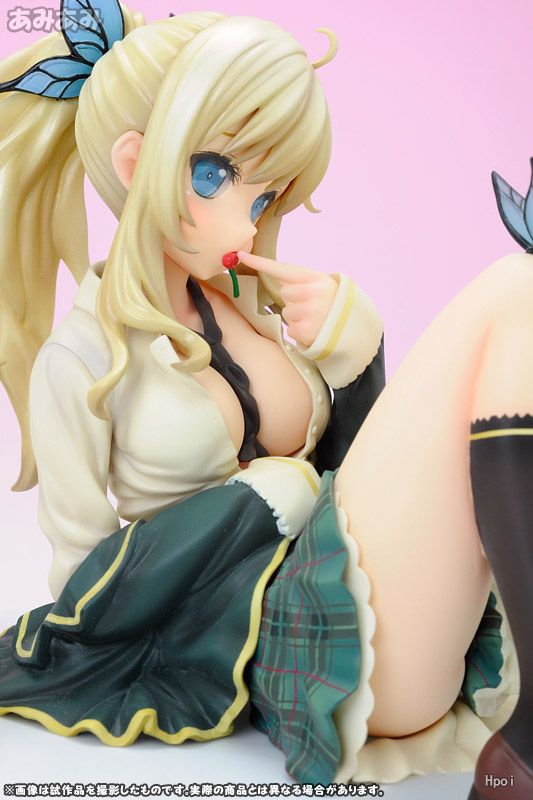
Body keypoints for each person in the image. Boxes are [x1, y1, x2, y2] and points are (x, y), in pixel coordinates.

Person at [0, 2, 529, 797]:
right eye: (214, 175)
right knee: (510, 287)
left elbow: (352, 483)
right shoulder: (80, 361)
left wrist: (356, 365)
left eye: (263, 197)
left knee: (517, 292)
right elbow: (85, 597)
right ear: (138, 161)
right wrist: (253, 503)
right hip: (278, 642)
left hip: (359, 585)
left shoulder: (251, 313)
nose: (245, 222)